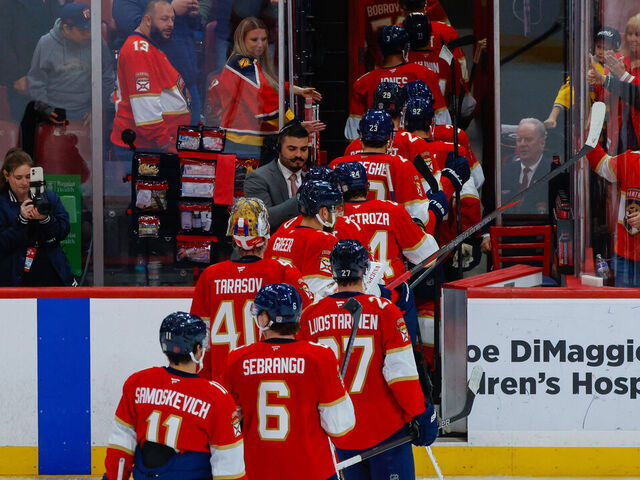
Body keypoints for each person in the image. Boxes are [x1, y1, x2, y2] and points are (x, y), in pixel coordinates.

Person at [298, 240, 438, 480]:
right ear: (365, 269)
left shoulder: (310, 315)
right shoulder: (385, 311)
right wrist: (422, 414)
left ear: (332, 270)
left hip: (340, 434)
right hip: (386, 432)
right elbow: (400, 376)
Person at [223, 283, 356, 480]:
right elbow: (340, 427)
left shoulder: (237, 358)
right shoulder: (320, 356)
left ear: (264, 319)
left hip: (256, 470)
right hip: (313, 471)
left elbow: (228, 426)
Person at [103, 312, 247, 480]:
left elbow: (121, 444)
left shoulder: (138, 383)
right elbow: (229, 466)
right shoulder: (217, 398)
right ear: (198, 350)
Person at [190, 197, 314, 382]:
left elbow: (199, 339)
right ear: (265, 231)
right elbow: (309, 322)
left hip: (223, 382)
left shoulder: (210, 275)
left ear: (233, 235)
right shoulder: (282, 271)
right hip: (269, 377)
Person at [206, 17, 323, 162]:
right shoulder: (243, 65)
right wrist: (295, 123)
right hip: (244, 144)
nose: (261, 45)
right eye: (254, 40)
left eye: (264, 39)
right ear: (241, 40)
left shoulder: (242, 63)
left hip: (244, 141)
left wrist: (297, 90)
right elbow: (266, 102)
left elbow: (267, 86)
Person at [111, 0, 191, 156]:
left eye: (172, 19)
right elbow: (145, 109)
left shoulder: (150, 45)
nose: (170, 24)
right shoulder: (139, 50)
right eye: (164, 19)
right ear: (148, 20)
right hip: (142, 146)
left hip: (147, 145)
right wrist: (165, 143)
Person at [344, 25, 450, 141]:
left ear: (381, 49)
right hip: (417, 148)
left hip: (379, 150)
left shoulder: (363, 82)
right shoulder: (425, 74)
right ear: (406, 47)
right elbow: (442, 121)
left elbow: (353, 133)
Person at [332, 109, 433, 227]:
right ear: (390, 137)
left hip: (347, 238)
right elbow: (419, 216)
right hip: (386, 239)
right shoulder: (401, 164)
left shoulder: (337, 165)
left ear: (360, 135)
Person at [113, 0, 203, 123]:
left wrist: (193, 15)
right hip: (154, 87)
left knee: (191, 137)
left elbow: (195, 28)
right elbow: (137, 29)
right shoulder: (124, 2)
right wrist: (172, 10)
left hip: (187, 79)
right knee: (157, 135)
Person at [28, 2, 116, 123]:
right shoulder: (46, 43)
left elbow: (107, 76)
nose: (89, 33)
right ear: (66, 28)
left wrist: (97, 109)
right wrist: (46, 110)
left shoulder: (96, 40)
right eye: (83, 30)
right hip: (54, 111)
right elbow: (36, 81)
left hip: (87, 111)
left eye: (91, 28)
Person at [0, 148, 73, 286]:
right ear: (6, 175)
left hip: (50, 269)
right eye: (18, 177)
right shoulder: (2, 203)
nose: (24, 182)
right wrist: (21, 221)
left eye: (28, 177)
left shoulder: (48, 196)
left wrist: (45, 219)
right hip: (14, 275)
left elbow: (63, 230)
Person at [264, 179, 341, 296]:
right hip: (300, 309)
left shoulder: (277, 235)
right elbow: (320, 292)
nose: (335, 214)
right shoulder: (323, 239)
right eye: (333, 208)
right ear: (323, 212)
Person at [0, 0, 66, 121]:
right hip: (24, 79)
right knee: (27, 130)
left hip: (54, 78)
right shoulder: (9, 3)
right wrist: (16, 75)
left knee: (55, 129)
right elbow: (2, 41)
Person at [544, 27, 621, 130]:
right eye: (598, 47)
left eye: (606, 49)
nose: (601, 52)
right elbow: (569, 89)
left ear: (616, 50)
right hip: (589, 128)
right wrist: (553, 117)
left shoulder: (622, 68)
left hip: (614, 126)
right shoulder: (586, 66)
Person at [586, 143, 640, 287]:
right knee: (623, 309)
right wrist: (590, 132)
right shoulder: (630, 159)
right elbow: (600, 163)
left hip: (627, 259)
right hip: (626, 258)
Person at [243, 120, 311, 232]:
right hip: (273, 246)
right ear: (278, 148)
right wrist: (301, 198)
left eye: (303, 149)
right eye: (292, 149)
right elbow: (263, 219)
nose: (299, 155)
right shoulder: (257, 178)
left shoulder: (311, 177)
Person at [500, 118, 552, 215]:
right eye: (519, 140)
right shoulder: (504, 172)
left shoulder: (553, 172)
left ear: (542, 143)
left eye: (528, 139)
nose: (522, 144)